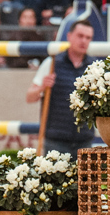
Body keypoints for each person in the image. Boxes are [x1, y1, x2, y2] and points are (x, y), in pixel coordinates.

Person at [26, 18, 97, 158]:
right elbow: (29, 97)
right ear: (69, 36)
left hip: (84, 139)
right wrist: (42, 87)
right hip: (56, 141)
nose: (84, 41)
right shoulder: (52, 63)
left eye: (88, 37)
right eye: (80, 36)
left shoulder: (94, 68)